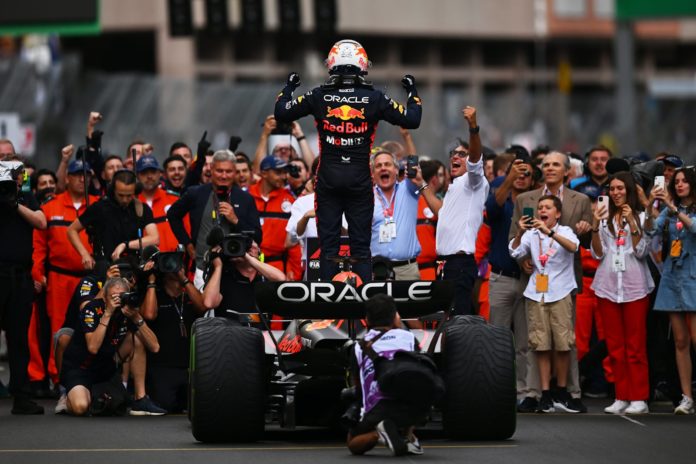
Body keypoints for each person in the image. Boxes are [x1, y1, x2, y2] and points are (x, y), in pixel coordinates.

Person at [274, 39, 422, 283]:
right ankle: (362, 308)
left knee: (329, 248)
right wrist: (412, 91)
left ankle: (330, 307)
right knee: (361, 248)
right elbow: (413, 119)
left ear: (332, 65)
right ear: (362, 66)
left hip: (328, 181)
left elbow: (281, 112)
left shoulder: (319, 95)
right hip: (360, 182)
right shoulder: (374, 98)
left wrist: (289, 87)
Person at [510, 151, 593, 412]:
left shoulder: (580, 200)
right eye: (545, 164)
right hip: (536, 284)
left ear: (567, 171)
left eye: (556, 164)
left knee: (565, 340)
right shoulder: (526, 199)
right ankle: (537, 393)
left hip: (564, 281)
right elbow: (515, 241)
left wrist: (585, 228)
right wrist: (521, 258)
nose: (550, 168)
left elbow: (582, 243)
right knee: (537, 342)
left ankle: (569, 391)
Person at [30, 159, 99, 390]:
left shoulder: (98, 206)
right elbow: (38, 246)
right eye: (77, 174)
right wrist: (38, 274)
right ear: (67, 178)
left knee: (92, 325)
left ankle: (89, 376)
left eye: (86, 175)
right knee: (58, 329)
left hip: (91, 278)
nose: (82, 179)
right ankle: (58, 378)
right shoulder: (51, 207)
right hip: (59, 278)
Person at [590, 172, 653, 415]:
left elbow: (642, 251)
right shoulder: (604, 218)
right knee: (615, 346)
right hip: (607, 286)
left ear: (628, 190)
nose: (615, 193)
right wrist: (595, 225)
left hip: (634, 285)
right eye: (612, 189)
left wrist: (634, 223)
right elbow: (598, 253)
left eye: (620, 189)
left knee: (635, 345)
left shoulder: (643, 217)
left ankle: (639, 397)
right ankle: (621, 395)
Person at [509, 195, 579, 413]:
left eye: (547, 207)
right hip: (537, 293)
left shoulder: (564, 231)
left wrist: (550, 232)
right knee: (540, 344)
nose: (542, 211)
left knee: (563, 343)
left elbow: (573, 247)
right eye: (540, 208)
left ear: (557, 213)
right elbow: (514, 252)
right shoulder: (531, 234)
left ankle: (561, 390)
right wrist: (521, 232)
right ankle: (545, 393)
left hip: (560, 291)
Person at [60, 277, 160, 416]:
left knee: (137, 339)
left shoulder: (128, 311)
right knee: (81, 407)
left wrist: (137, 318)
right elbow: (93, 348)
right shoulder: (92, 309)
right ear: (105, 297)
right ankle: (67, 397)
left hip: (105, 369)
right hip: (81, 369)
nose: (118, 301)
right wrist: (108, 313)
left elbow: (155, 347)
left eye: (122, 296)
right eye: (113, 297)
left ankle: (140, 398)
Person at [419, 106, 484, 315]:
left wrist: (473, 128)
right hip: (446, 264)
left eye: (462, 154)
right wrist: (421, 184)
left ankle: (462, 350)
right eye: (453, 154)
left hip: (460, 263)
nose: (455, 157)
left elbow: (475, 159)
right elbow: (441, 211)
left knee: (458, 319)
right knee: (448, 317)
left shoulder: (473, 181)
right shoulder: (455, 186)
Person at [167, 149, 262, 289]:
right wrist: (187, 244)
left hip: (238, 270)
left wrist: (235, 220)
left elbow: (257, 236)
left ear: (235, 171)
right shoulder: (196, 193)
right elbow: (172, 215)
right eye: (219, 171)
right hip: (203, 268)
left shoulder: (245, 198)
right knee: (205, 309)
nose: (224, 176)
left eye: (228, 171)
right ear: (211, 169)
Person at [347, 294, 426, 456]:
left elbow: (358, 385)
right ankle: (407, 435)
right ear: (395, 317)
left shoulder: (358, 346)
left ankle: (379, 433)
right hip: (413, 408)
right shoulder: (410, 338)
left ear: (367, 319)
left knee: (353, 443)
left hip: (378, 408)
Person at [646, 167, 696, 415]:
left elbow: (694, 228)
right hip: (672, 276)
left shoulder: (683, 209)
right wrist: (648, 206)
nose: (679, 185)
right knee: (680, 340)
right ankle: (686, 397)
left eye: (684, 181)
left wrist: (673, 208)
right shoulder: (668, 208)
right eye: (676, 182)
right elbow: (652, 229)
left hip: (693, 276)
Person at [486, 156, 534, 406]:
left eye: (527, 173)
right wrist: (508, 178)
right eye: (518, 172)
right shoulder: (501, 198)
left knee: (525, 343)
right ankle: (497, 390)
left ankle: (523, 393)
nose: (522, 177)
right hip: (501, 278)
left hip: (529, 280)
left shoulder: (537, 203)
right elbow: (491, 209)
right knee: (498, 340)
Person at [0, 160, 47, 414]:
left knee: (19, 340)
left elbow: (41, 222)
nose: (17, 179)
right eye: (12, 175)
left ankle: (21, 396)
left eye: (20, 175)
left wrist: (14, 203)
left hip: (20, 277)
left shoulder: (26, 198)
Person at [141, 261, 206, 412]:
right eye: (169, 263)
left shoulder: (189, 296)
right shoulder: (155, 295)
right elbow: (149, 315)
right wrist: (151, 282)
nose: (175, 267)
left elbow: (203, 306)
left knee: (195, 407)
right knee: (166, 405)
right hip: (162, 367)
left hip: (188, 367)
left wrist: (184, 279)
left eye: (178, 263)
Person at [67, 169, 159, 272]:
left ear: (135, 191)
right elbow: (71, 230)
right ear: (112, 190)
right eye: (120, 195)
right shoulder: (99, 208)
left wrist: (125, 245)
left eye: (129, 195)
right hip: (106, 267)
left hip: (134, 268)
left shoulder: (142, 209)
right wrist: (84, 254)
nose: (125, 200)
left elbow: (155, 238)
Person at [370, 150, 428, 280]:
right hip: (377, 270)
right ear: (373, 174)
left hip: (407, 270)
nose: (383, 168)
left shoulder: (408, 188)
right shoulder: (366, 197)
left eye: (387, 164)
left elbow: (414, 162)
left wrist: (406, 135)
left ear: (396, 170)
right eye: (378, 166)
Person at [248, 156, 302, 280]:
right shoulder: (246, 196)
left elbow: (294, 242)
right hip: (247, 265)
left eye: (284, 173)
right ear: (264, 173)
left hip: (277, 268)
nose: (283, 177)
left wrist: (294, 272)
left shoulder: (291, 201)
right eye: (278, 173)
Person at [201, 241, 286, 318]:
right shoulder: (225, 276)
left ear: (259, 251)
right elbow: (209, 303)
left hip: (261, 333)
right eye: (240, 246)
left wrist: (248, 258)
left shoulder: (265, 277)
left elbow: (281, 280)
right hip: (229, 333)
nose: (245, 249)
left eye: (249, 246)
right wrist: (218, 267)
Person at [136, 156, 188, 252]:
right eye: (144, 173)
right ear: (138, 176)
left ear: (160, 174)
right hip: (142, 263)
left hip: (174, 261)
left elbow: (188, 234)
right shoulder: (132, 203)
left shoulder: (175, 200)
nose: (149, 176)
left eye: (153, 172)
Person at [415, 160, 444, 280]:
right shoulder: (438, 206)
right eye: (441, 175)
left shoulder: (409, 201)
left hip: (414, 269)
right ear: (435, 179)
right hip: (427, 270)